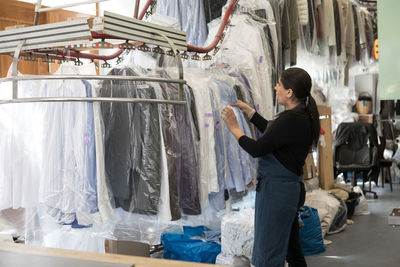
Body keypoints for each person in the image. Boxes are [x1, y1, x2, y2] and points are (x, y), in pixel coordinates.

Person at [221, 67, 320, 267]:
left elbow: (258, 148)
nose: (275, 88)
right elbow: (275, 133)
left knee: (268, 252)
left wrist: (235, 129)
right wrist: (250, 113)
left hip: (277, 193)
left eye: (279, 85)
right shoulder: (301, 115)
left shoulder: (291, 118)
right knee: (292, 250)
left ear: (289, 92)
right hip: (288, 190)